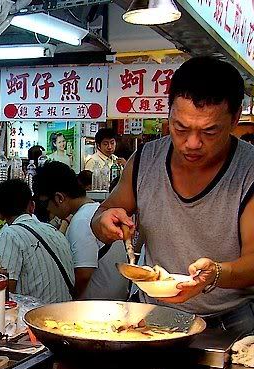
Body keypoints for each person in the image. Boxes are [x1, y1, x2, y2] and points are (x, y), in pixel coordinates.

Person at [92, 56, 254, 336]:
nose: (192, 143)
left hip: (228, 322)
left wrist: (214, 274)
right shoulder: (145, 159)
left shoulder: (249, 170)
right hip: (152, 316)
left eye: (209, 131)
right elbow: (102, 216)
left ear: (235, 119)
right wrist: (105, 221)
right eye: (180, 128)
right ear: (168, 114)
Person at [34, 162, 128, 300]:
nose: (47, 209)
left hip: (95, 311)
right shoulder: (95, 210)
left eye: (44, 203)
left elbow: (83, 274)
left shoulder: (81, 221)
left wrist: (69, 299)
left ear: (59, 198)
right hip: (115, 301)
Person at [0, 179, 74, 303]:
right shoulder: (54, 231)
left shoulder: (10, 234)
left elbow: (4, 292)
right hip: (65, 314)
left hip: (35, 317)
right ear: (32, 206)